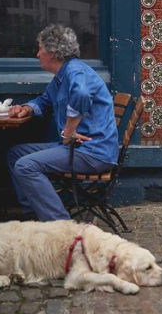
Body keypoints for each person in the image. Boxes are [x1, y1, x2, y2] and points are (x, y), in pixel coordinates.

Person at [7, 24, 118, 221]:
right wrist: (27, 108)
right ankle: (32, 215)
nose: (37, 54)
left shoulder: (75, 72)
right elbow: (45, 100)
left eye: (40, 48)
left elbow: (82, 94)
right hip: (77, 149)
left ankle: (60, 225)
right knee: (16, 154)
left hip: (92, 152)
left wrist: (68, 131)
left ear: (52, 51)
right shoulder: (62, 76)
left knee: (26, 166)